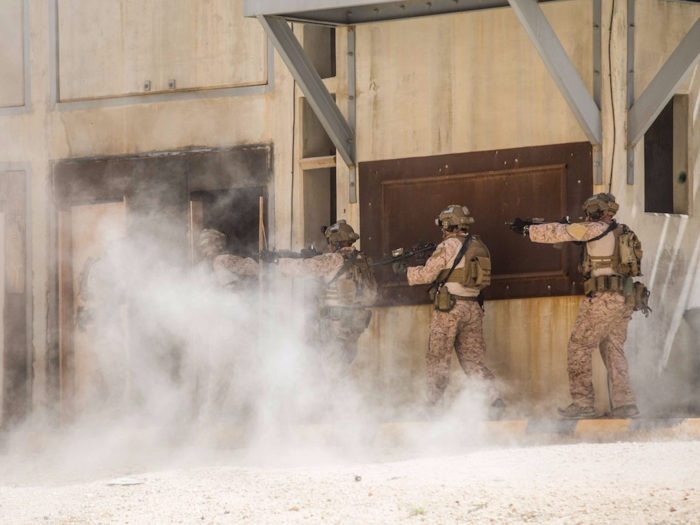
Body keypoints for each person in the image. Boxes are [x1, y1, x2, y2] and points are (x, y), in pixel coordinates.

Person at [510, 193, 648, 419]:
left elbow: (560, 232)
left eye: (589, 211)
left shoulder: (595, 229)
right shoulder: (622, 230)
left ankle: (583, 403)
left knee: (579, 348)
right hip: (624, 298)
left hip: (603, 298)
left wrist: (528, 230)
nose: (585, 215)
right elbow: (574, 233)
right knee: (614, 351)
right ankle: (626, 405)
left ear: (596, 211)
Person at [394, 205, 505, 419]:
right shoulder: (478, 245)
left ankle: (432, 408)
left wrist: (405, 271)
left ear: (447, 225)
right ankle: (492, 398)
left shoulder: (449, 244)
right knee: (473, 361)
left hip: (449, 309)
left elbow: (427, 274)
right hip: (472, 307)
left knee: (438, 359)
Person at [261, 220, 377, 385]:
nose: (328, 246)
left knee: (335, 375)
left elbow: (304, 268)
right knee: (342, 367)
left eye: (329, 242)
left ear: (335, 242)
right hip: (355, 323)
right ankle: (344, 405)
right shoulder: (363, 259)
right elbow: (372, 294)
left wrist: (277, 260)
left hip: (335, 325)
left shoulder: (334, 259)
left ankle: (343, 408)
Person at [192, 229, 259, 421]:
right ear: (218, 244)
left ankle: (210, 416)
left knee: (220, 371)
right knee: (245, 367)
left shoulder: (199, 268)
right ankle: (234, 415)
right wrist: (254, 258)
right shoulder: (223, 260)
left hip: (213, 325)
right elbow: (254, 269)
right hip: (231, 323)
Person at [76, 238, 131, 417]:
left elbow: (120, 299)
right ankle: (110, 421)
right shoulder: (101, 269)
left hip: (108, 325)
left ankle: (91, 417)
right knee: (116, 374)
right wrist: (121, 286)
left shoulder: (112, 268)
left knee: (105, 373)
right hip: (103, 326)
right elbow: (105, 298)